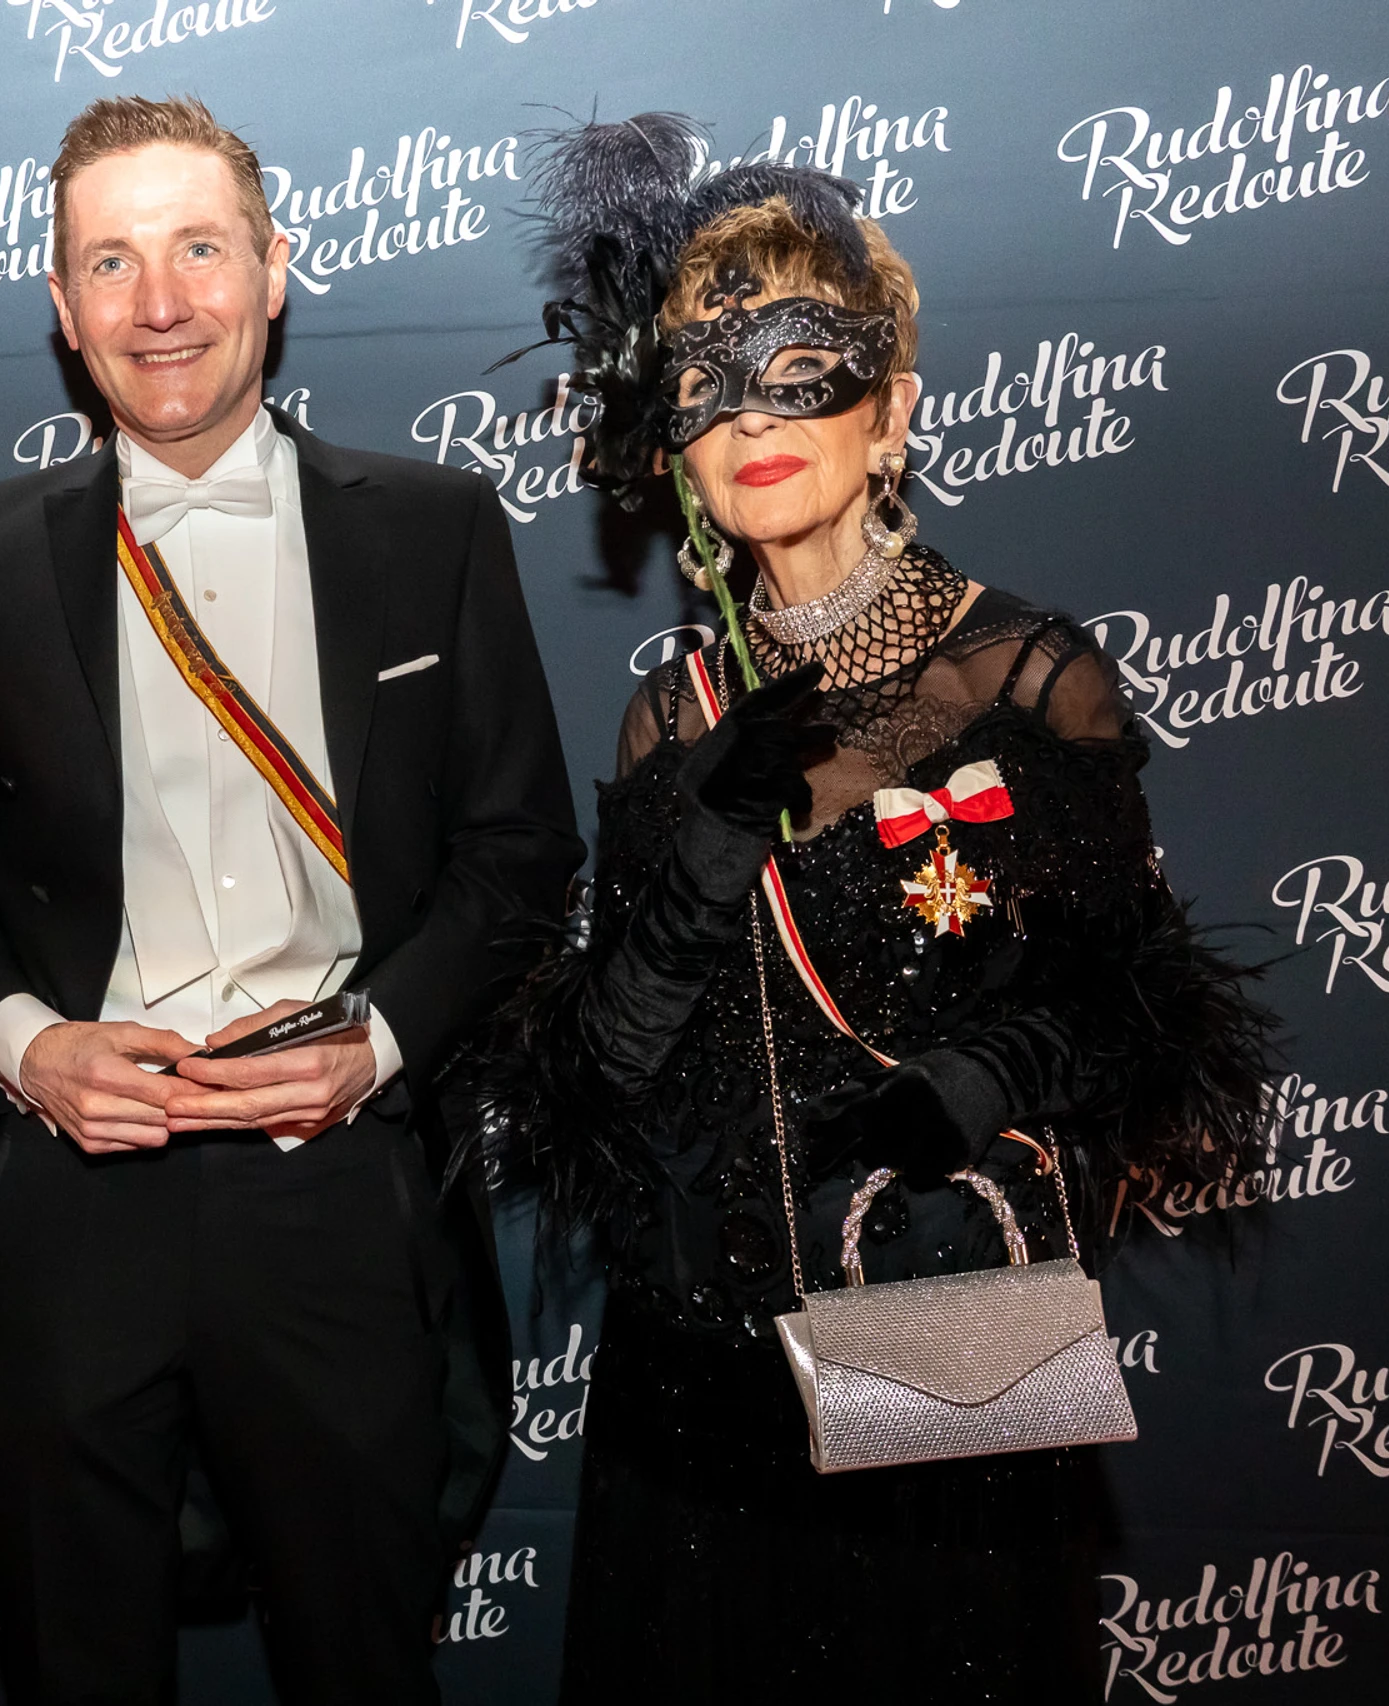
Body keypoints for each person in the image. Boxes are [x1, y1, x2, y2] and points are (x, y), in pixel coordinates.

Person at [460, 120, 1277, 1700]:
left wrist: (971, 1083)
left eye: (799, 371)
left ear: (891, 409)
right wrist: (705, 853)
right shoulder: (669, 718)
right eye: (707, 384)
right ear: (670, 444)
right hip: (695, 1390)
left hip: (944, 1345)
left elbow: (1140, 1006)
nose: (751, 418)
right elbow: (602, 1079)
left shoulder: (1028, 677)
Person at [0, 95, 582, 1705]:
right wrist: (31, 1047)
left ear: (274, 269)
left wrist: (375, 1046)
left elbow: (520, 850)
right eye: (109, 263)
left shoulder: (434, 528)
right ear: (62, 310)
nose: (160, 303)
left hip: (334, 1175)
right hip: (77, 1186)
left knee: (360, 1661)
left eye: (199, 249)